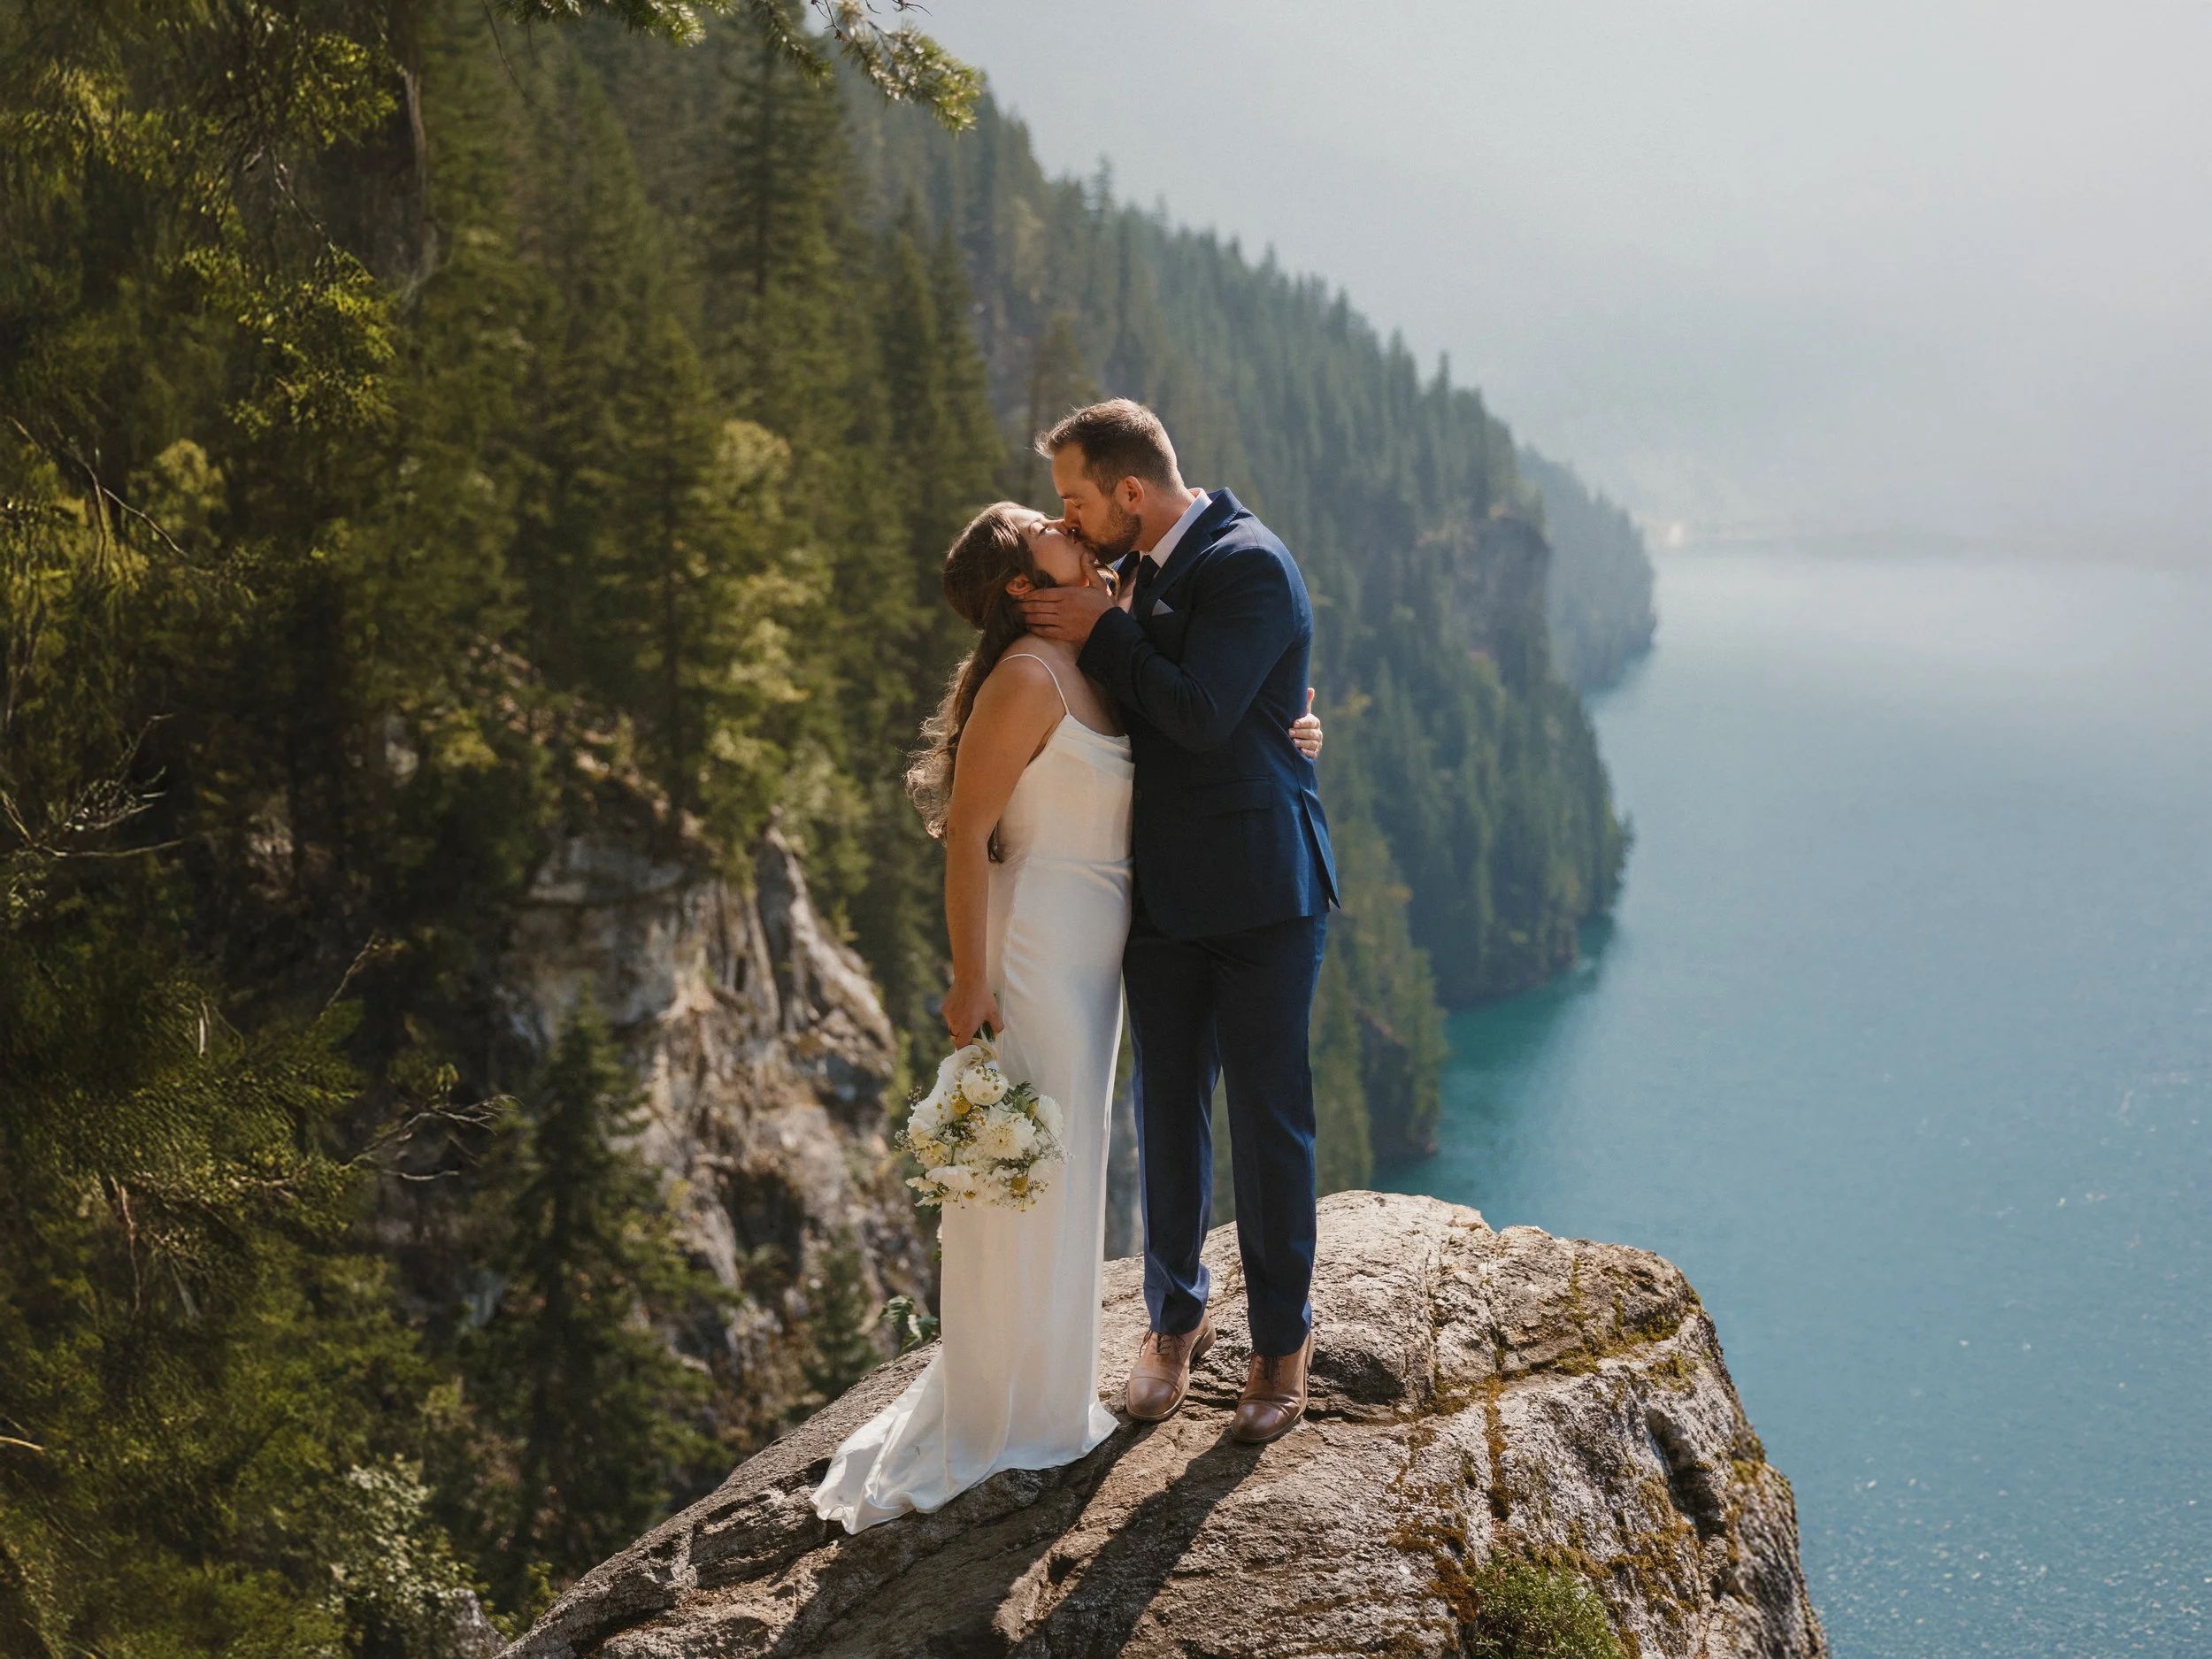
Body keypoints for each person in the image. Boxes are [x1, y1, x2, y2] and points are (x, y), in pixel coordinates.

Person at [811, 498, 1325, 1533]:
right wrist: (969, 979)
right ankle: (1008, 1400)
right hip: (1039, 941)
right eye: (1037, 521)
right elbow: (966, 835)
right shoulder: (1025, 676)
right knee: (1027, 1165)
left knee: (1073, 1155)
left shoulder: (1103, 637)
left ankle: (1047, 1384)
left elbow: (1200, 712)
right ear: (1020, 585)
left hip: (1105, 942)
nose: (1059, 516)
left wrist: (1292, 723)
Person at [1019, 400, 1338, 1450]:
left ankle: (1280, 1346)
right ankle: (1172, 1321)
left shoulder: (1248, 561)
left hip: (1259, 895)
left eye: (1075, 498)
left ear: (1129, 492)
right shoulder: (1135, 575)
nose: (1069, 517)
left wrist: (1108, 633)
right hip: (1157, 894)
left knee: (1267, 1117)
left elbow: (1200, 712)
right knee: (1166, 1114)